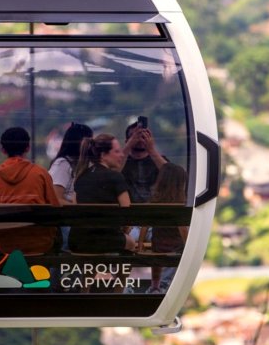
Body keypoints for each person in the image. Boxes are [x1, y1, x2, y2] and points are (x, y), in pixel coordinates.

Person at [0, 126, 60, 254]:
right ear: (28, 148)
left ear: (2, 149)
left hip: (5, 244)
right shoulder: (40, 174)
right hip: (40, 243)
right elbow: (55, 209)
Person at [71, 134, 137, 253]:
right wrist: (124, 231)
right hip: (105, 240)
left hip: (77, 240)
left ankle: (94, 272)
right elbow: (128, 215)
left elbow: (74, 207)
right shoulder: (116, 177)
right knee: (131, 244)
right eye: (117, 151)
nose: (121, 155)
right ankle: (117, 272)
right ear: (103, 155)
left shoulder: (81, 177)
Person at [139, 163, 188, 294]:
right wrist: (188, 245)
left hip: (158, 246)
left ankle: (155, 285)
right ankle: (166, 285)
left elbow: (144, 225)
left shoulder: (154, 202)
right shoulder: (179, 204)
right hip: (176, 247)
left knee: (156, 251)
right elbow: (182, 228)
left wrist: (139, 245)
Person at [48, 122, 93, 251]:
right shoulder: (63, 164)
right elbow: (56, 198)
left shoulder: (81, 164)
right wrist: (80, 209)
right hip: (65, 221)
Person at [122, 120, 167, 204]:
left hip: (155, 207)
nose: (140, 139)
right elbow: (112, 172)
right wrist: (128, 145)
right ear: (127, 140)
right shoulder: (122, 160)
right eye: (134, 136)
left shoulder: (159, 159)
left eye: (144, 136)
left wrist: (151, 150)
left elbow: (173, 175)